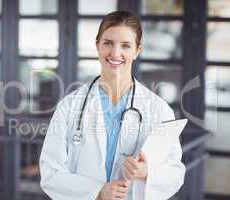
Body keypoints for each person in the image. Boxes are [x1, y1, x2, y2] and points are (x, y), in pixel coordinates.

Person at [39, 11, 185, 200]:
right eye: (108, 43)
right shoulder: (69, 106)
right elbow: (50, 173)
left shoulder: (158, 109)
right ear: (97, 46)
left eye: (125, 45)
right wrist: (97, 192)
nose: (115, 53)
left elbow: (175, 171)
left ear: (137, 51)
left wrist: (147, 172)